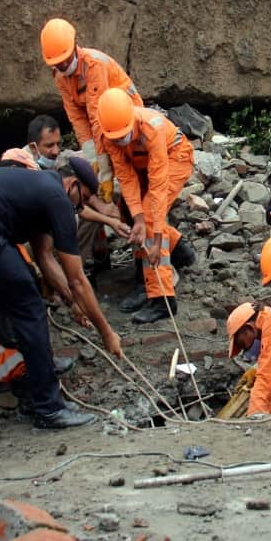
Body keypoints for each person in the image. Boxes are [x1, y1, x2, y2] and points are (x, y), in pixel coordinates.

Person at [0, 159, 122, 429]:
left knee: (25, 287)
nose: (78, 208)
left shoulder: (40, 190)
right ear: (72, 184)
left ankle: (39, 368)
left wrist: (73, 303)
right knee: (29, 306)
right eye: (82, 199)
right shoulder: (57, 198)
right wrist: (106, 332)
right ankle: (48, 407)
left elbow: (46, 258)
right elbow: (77, 279)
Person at [96, 88, 196, 322]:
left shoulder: (152, 127)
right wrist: (137, 218)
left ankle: (162, 298)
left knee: (151, 214)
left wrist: (156, 236)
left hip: (175, 157)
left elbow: (158, 187)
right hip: (141, 166)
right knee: (129, 211)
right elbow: (126, 177)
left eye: (124, 135)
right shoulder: (108, 135)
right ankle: (178, 250)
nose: (120, 140)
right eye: (116, 138)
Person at [40, 18, 143, 205]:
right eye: (57, 63)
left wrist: (105, 172)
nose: (62, 66)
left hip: (126, 113)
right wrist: (91, 158)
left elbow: (98, 118)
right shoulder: (60, 76)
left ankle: (136, 197)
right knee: (102, 161)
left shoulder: (94, 65)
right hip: (101, 116)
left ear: (74, 46)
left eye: (64, 60)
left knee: (122, 159)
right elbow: (77, 117)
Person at [24, 114, 129, 278]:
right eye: (49, 146)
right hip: (28, 238)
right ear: (33, 147)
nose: (56, 151)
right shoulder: (25, 170)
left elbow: (79, 196)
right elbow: (76, 208)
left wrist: (105, 210)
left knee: (99, 207)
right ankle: (68, 275)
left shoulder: (58, 161)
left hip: (53, 223)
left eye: (58, 144)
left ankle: (91, 262)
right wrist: (110, 220)